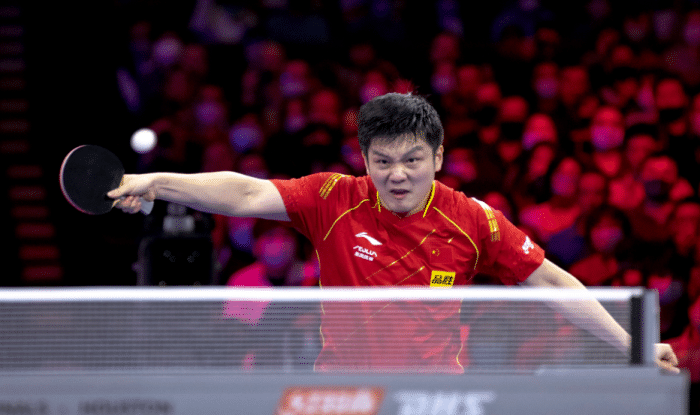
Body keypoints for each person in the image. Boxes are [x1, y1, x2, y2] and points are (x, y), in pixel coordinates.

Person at [109, 92, 678, 373]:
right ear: (365, 159)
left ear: (439, 157)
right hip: (342, 394)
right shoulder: (333, 198)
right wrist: (159, 182)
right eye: (382, 161)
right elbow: (246, 194)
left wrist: (634, 347)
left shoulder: (471, 219)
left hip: (433, 397)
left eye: (412, 159)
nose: (397, 175)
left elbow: (551, 283)